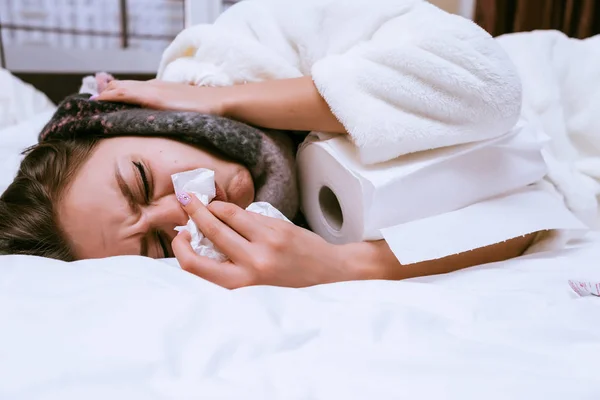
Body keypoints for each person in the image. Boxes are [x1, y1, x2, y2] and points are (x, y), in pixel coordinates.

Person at [0, 0, 543, 288]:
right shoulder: (262, 243)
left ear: (137, 119)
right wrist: (345, 265)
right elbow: (526, 219)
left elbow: (483, 84)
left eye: (142, 181)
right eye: (158, 245)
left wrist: (225, 101)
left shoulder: (252, 35)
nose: (181, 211)